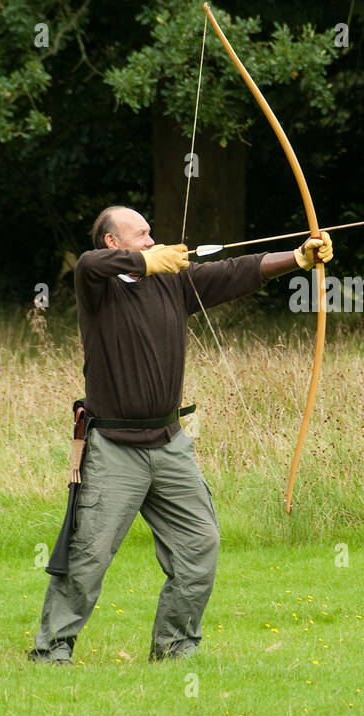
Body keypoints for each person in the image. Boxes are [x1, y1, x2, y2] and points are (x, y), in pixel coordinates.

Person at [28, 204, 332, 665]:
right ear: (113, 242)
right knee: (89, 552)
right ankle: (52, 649)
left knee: (199, 542)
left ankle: (175, 646)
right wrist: (148, 262)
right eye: (141, 235)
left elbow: (237, 271)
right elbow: (89, 263)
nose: (152, 241)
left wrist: (299, 258)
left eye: (152, 234)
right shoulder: (98, 286)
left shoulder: (174, 282)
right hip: (114, 447)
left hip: (169, 444)